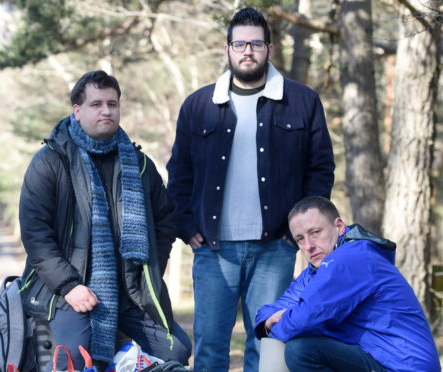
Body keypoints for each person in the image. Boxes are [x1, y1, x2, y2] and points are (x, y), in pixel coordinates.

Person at [166, 7, 335, 372]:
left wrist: (299, 235)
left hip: (275, 246)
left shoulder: (302, 101)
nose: (247, 51)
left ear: (269, 50)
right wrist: (186, 226)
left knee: (268, 346)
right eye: (239, 43)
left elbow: (320, 170)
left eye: (255, 44)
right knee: (210, 347)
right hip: (213, 249)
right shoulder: (198, 105)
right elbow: (179, 171)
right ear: (227, 49)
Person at [18, 70, 192, 372]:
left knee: (176, 351)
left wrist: (151, 266)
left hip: (130, 292)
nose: (106, 111)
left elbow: (166, 218)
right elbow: (36, 234)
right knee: (73, 356)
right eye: (96, 104)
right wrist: (69, 285)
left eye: (112, 104)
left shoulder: (138, 163)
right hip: (68, 291)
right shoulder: (50, 160)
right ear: (77, 110)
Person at [255, 196, 441, 372]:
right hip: (374, 358)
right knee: (293, 346)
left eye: (315, 232)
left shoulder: (352, 258)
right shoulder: (313, 272)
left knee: (302, 350)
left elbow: (305, 320)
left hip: (401, 366)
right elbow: (270, 311)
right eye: (300, 239)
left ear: (339, 226)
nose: (308, 246)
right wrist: (266, 324)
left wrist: (274, 326)